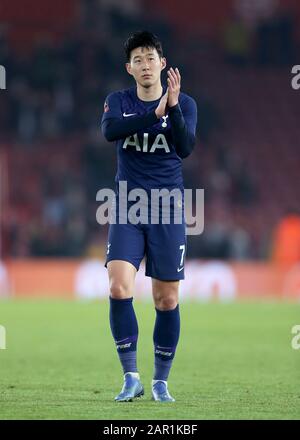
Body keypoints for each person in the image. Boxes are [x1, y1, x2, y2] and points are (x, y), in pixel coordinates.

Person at [101, 31, 197, 402]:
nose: (145, 65)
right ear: (129, 68)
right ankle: (131, 377)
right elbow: (110, 131)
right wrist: (152, 113)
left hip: (168, 207)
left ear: (162, 63)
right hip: (127, 204)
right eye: (137, 59)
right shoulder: (117, 102)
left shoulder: (185, 103)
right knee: (118, 287)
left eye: (150, 58)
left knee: (166, 300)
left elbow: (186, 147)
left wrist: (169, 108)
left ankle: (160, 382)